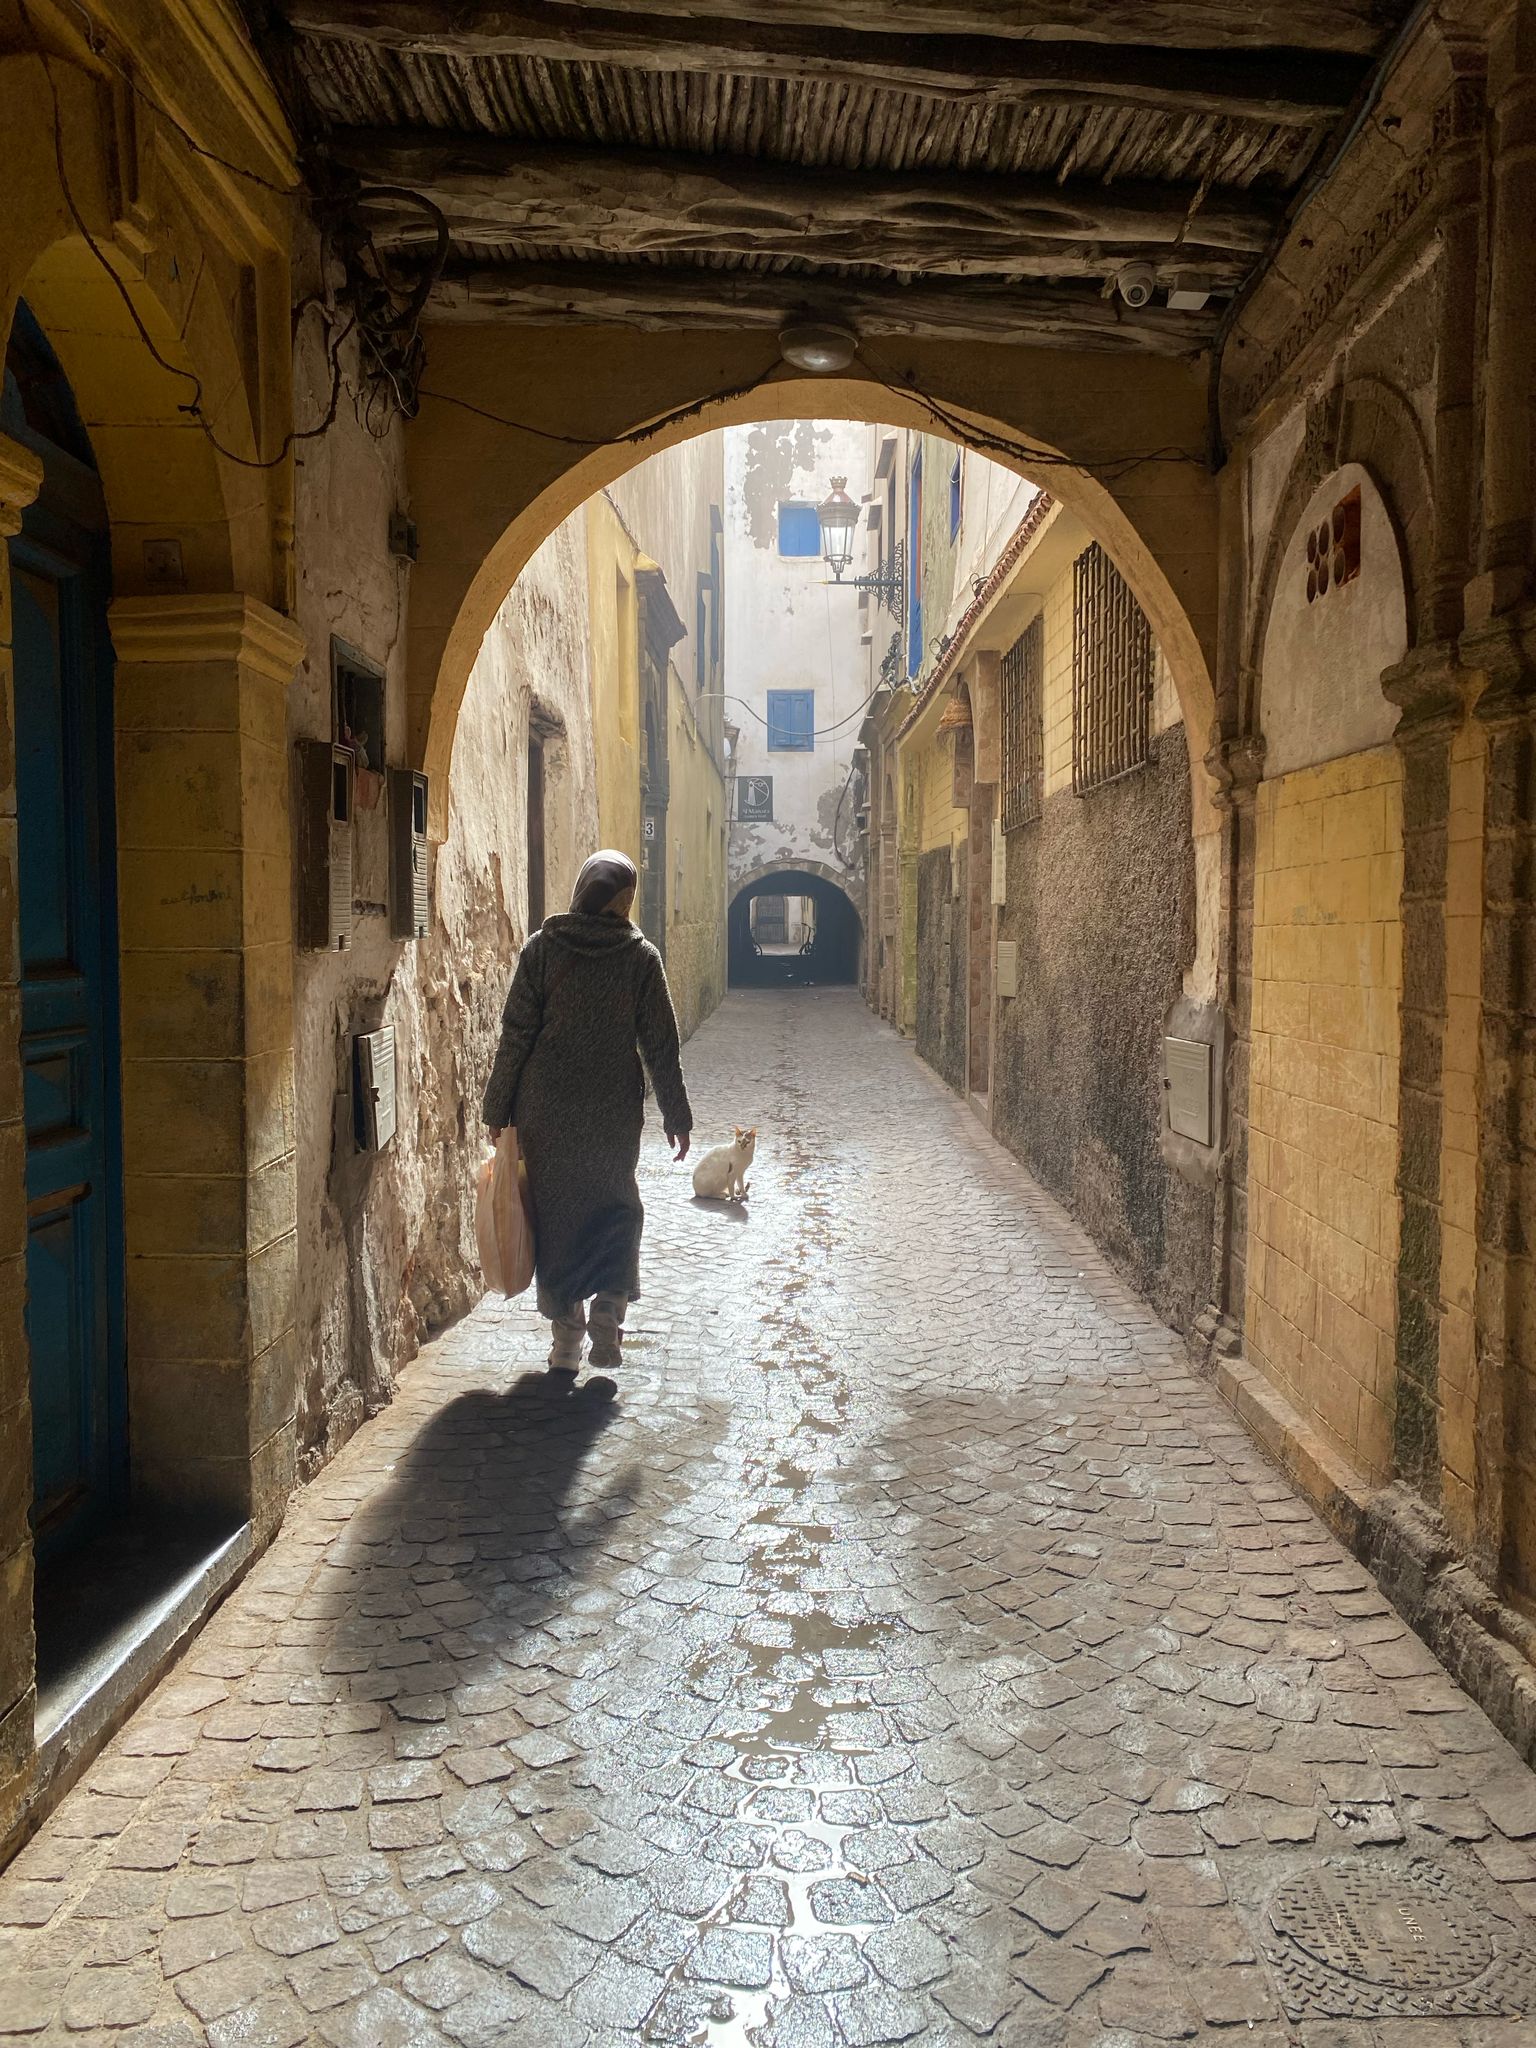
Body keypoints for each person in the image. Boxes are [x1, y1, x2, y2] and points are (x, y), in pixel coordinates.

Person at [482, 850, 692, 1374]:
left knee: (556, 1218)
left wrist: (497, 1106)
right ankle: (609, 1311)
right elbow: (660, 1044)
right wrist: (676, 1115)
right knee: (617, 1208)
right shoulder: (640, 958)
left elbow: (516, 1035)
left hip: (546, 1110)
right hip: (610, 1111)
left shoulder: (542, 949)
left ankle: (566, 1344)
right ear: (625, 899)